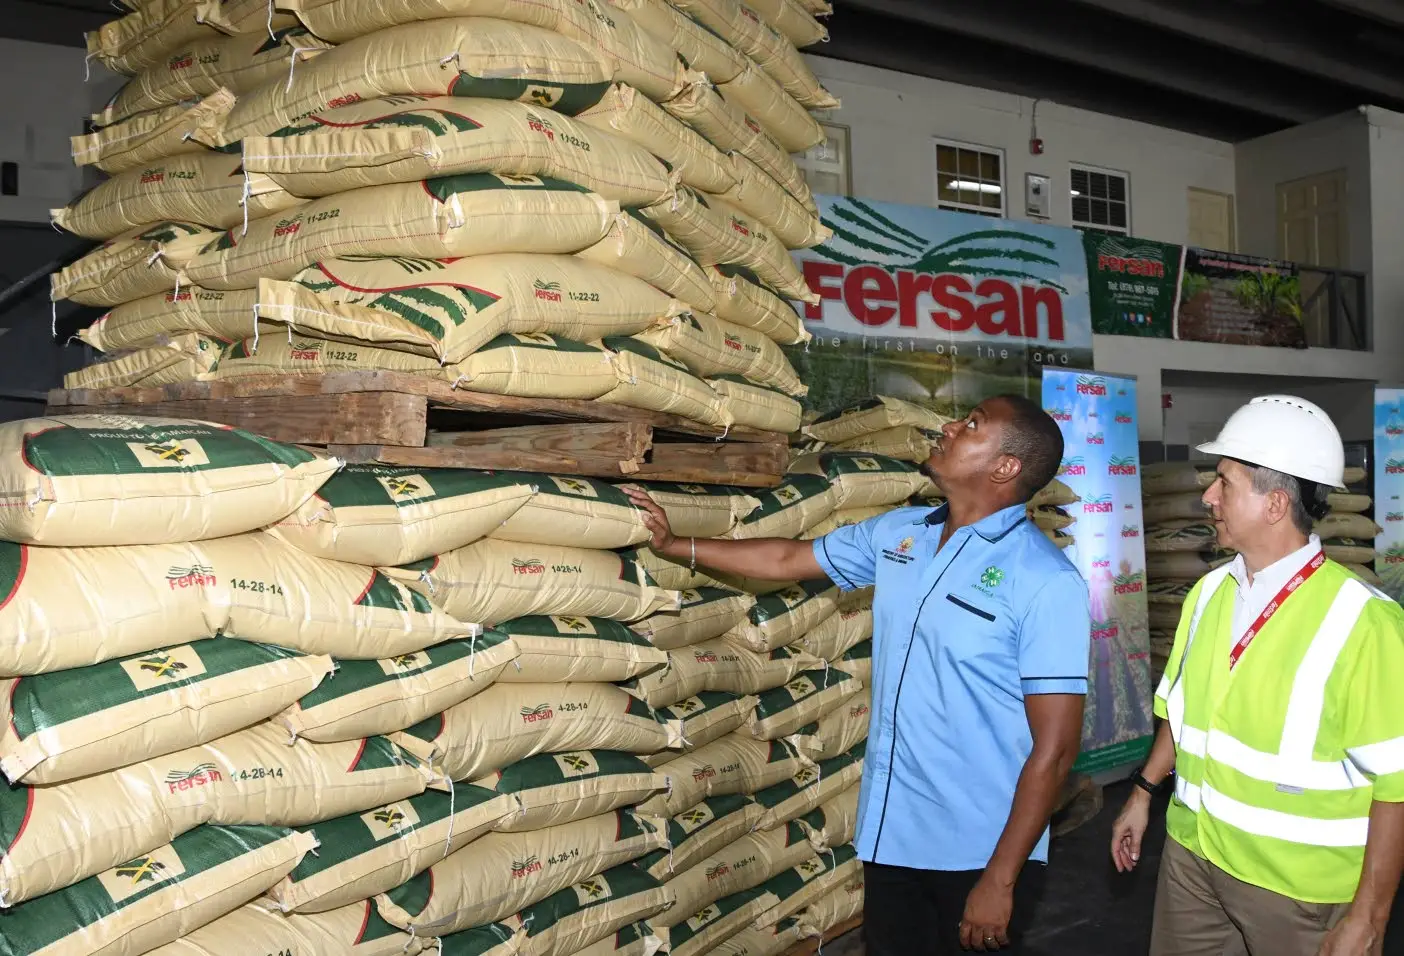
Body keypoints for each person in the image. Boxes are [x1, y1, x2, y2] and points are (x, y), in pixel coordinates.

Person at [623, 394, 1091, 955]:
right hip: (892, 830)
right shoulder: (902, 533)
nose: (948, 426)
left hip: (978, 846)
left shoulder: (1045, 579)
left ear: (1005, 467)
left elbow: (1057, 750)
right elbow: (786, 560)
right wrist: (678, 545)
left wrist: (1001, 877)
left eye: (972, 425)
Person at [1109, 395, 1404, 956]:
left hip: (1297, 892)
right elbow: (1181, 708)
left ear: (1274, 503)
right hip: (1193, 860)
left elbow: (1397, 783)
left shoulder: (1364, 622)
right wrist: (1144, 793)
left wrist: (1368, 918)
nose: (1207, 497)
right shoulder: (1208, 593)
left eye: (1224, 482)